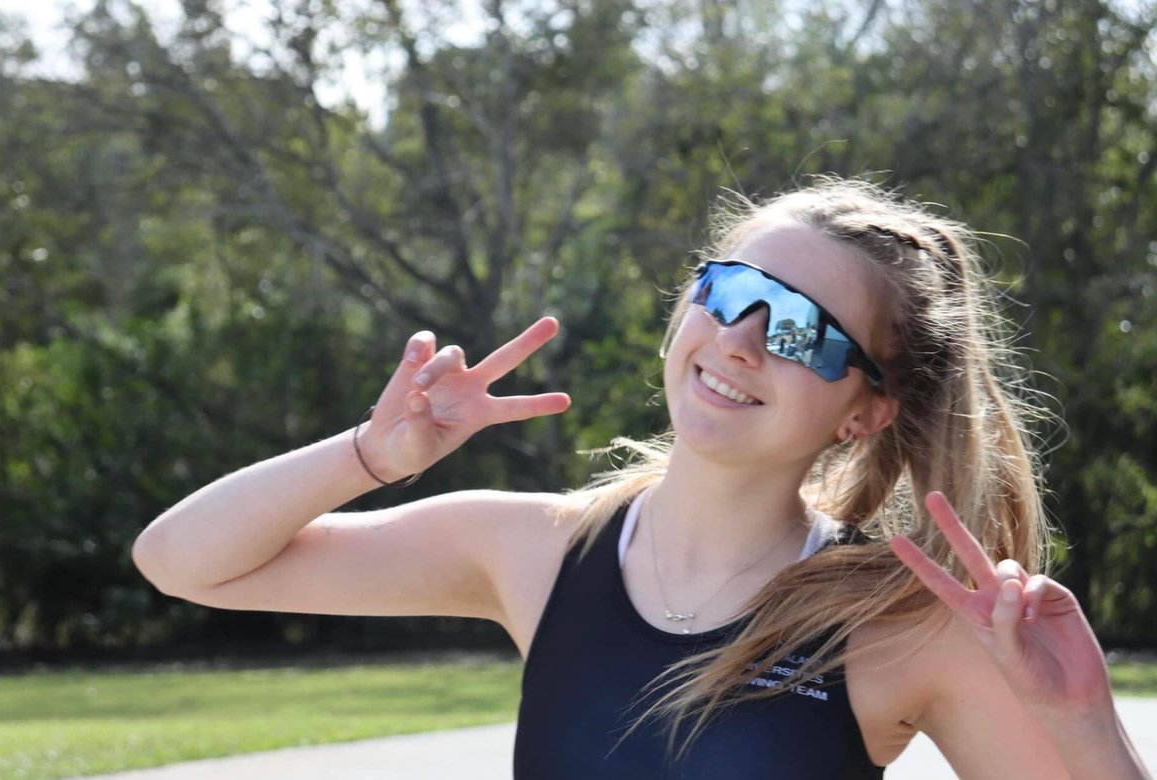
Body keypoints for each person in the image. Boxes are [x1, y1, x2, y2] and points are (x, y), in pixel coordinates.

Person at [132, 178, 1151, 778]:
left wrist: (1084, 725)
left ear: (866, 409)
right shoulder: (531, 550)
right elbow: (182, 562)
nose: (741, 340)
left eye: (802, 330)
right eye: (733, 290)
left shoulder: (901, 627)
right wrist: (368, 456)